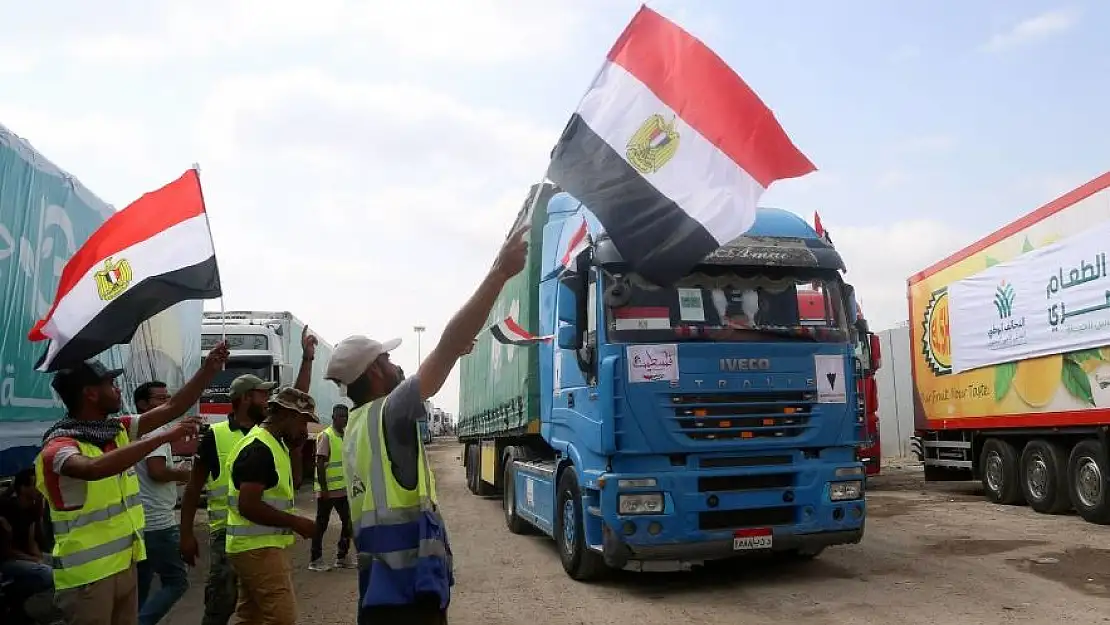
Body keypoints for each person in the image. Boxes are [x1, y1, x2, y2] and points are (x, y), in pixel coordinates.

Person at [325, 224, 528, 624]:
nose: (398, 365)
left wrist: (455, 349)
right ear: (377, 370)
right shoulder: (389, 411)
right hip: (409, 602)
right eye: (389, 358)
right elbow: (448, 343)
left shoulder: (355, 427)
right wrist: (499, 273)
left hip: (380, 594)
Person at [34, 344, 228, 625]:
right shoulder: (59, 446)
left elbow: (173, 407)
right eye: (110, 384)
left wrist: (208, 369)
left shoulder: (116, 429)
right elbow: (93, 468)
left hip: (125, 565)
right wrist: (160, 437)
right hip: (87, 578)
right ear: (90, 393)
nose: (118, 389)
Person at [179, 327, 317, 625]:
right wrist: (187, 533)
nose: (267, 399)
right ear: (244, 398)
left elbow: (298, 399)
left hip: (250, 540)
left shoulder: (270, 438)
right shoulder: (248, 443)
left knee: (249, 613)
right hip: (240, 539)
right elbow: (236, 501)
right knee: (254, 612)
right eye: (262, 394)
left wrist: (307, 360)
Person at [225, 387, 319, 625]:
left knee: (250, 616)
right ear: (288, 415)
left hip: (254, 546)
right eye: (303, 422)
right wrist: (295, 522)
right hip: (258, 549)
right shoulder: (259, 448)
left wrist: (296, 449)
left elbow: (295, 483)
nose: (304, 430)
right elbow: (248, 505)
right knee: (282, 618)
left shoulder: (275, 444)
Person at [132, 382, 191, 625]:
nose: (166, 402)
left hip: (140, 520)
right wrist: (181, 473)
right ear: (142, 404)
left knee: (141, 584)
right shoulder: (156, 432)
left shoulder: (135, 431)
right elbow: (156, 471)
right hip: (157, 523)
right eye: (159, 399)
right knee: (177, 581)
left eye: (168, 397)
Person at [0, 469, 59, 624]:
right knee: (47, 573)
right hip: (8, 560)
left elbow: (31, 541)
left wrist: (38, 557)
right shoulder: (6, 508)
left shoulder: (32, 508)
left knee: (61, 563)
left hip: (25, 556)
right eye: (34, 485)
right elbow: (6, 551)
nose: (38, 488)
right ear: (22, 488)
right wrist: (34, 561)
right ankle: (18, 600)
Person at [308, 404, 353, 571]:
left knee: (348, 523)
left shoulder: (344, 435)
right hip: (327, 491)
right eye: (341, 416)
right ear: (334, 417)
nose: (344, 420)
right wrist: (324, 489)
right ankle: (315, 559)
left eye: (346, 417)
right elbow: (320, 464)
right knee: (321, 525)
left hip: (342, 489)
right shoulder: (326, 436)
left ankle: (342, 557)